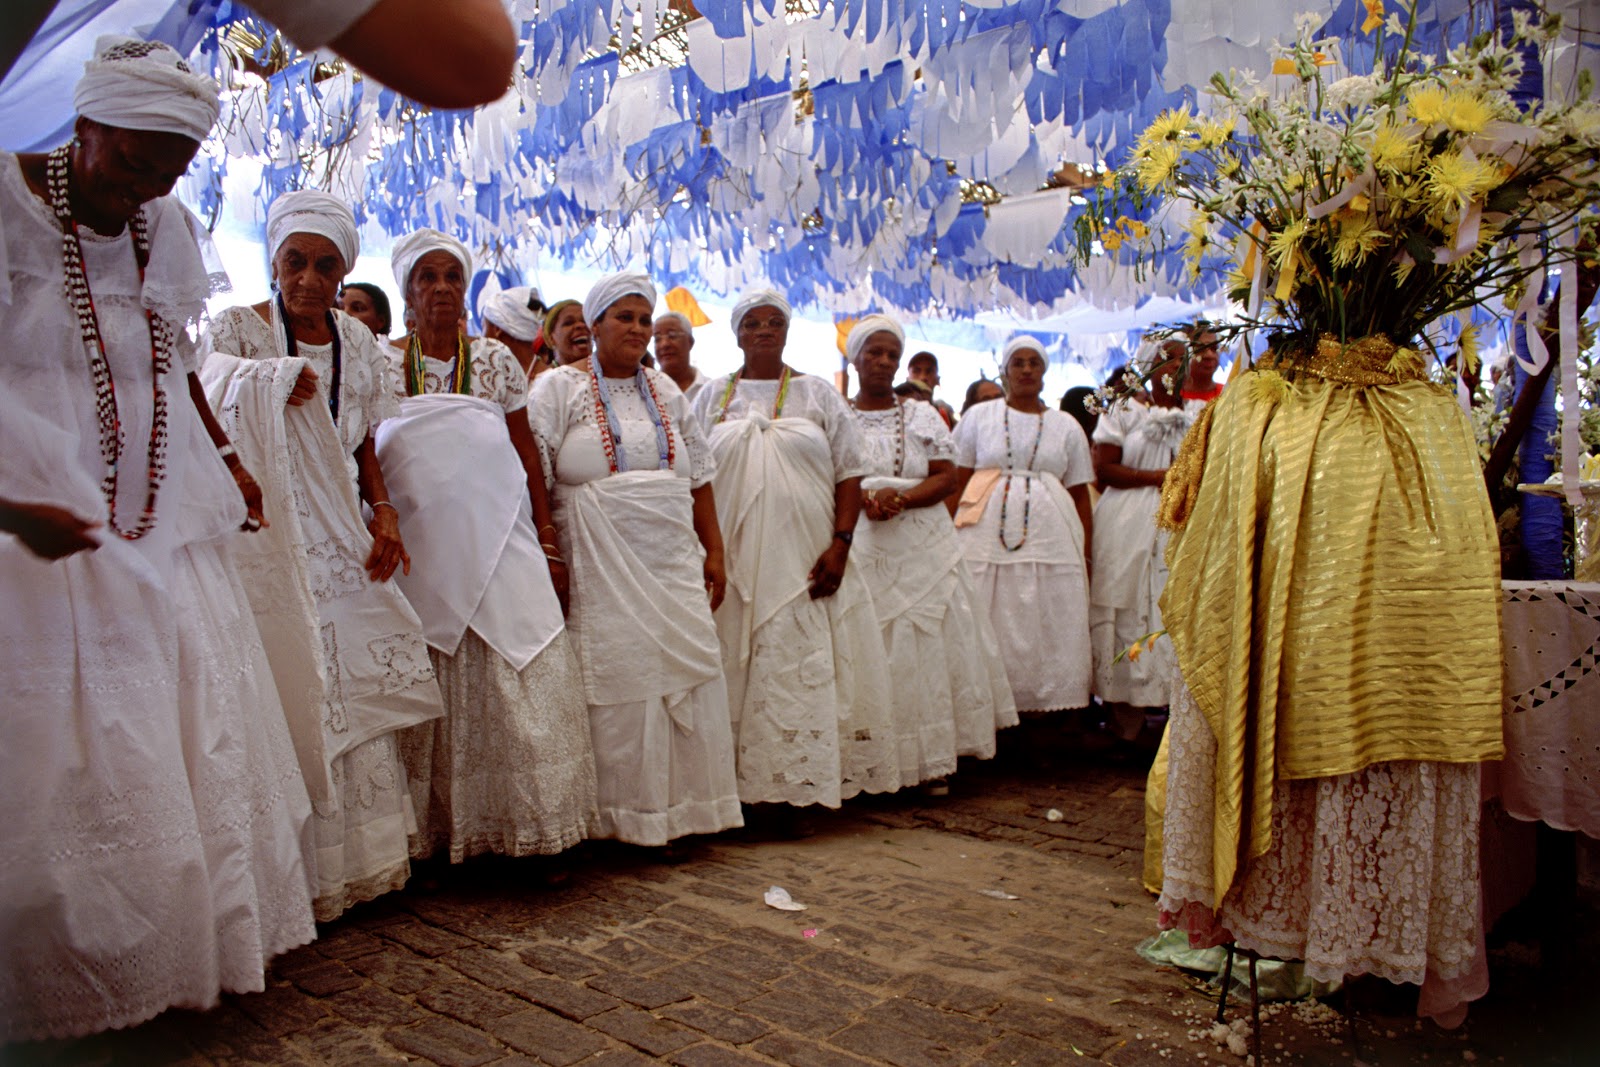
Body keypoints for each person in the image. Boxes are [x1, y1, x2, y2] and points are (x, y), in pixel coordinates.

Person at [0, 37, 315, 1040]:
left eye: (169, 170)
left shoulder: (162, 223)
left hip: (155, 498)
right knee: (65, 741)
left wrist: (226, 455)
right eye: (130, 160)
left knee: (183, 716)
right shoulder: (5, 203)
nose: (144, 187)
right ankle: (67, 971)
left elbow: (168, 358)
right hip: (31, 502)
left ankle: (183, 946)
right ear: (80, 126)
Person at [201, 189, 446, 921]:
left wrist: (386, 513)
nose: (307, 278)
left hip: (340, 518)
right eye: (295, 261)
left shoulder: (357, 339)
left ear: (344, 273)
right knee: (286, 671)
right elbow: (207, 400)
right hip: (268, 523)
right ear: (274, 261)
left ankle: (360, 859)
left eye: (325, 265)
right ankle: (291, 873)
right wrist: (269, 382)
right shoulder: (237, 329)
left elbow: (365, 438)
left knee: (353, 669)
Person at [379, 229, 596, 865]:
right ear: (408, 291)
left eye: (453, 277)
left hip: (504, 533)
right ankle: (435, 839)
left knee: (527, 653)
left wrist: (548, 535)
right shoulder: (379, 360)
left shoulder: (497, 362)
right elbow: (366, 448)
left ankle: (537, 834)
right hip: (418, 541)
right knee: (424, 666)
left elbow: (526, 451)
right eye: (428, 278)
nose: (442, 289)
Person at [529, 273, 743, 849]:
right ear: (592, 326)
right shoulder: (555, 389)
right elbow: (533, 477)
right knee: (618, 677)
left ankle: (685, 813)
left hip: (670, 556)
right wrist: (548, 548)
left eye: (645, 319)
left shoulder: (667, 391)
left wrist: (715, 550)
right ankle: (621, 819)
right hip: (599, 563)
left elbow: (699, 476)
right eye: (624, 317)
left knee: (684, 672)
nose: (637, 328)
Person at [691, 288, 899, 819]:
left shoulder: (816, 394)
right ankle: (727, 789)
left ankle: (794, 790)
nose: (763, 330)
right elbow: (691, 475)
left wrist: (842, 543)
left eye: (774, 323)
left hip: (805, 555)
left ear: (787, 332)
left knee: (795, 659)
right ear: (736, 334)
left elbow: (850, 472)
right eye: (752, 323)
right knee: (730, 653)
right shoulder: (711, 395)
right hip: (730, 556)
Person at [846, 317, 1017, 792]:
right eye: (873, 353)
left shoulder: (921, 414)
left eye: (890, 355)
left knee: (924, 642)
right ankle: (867, 761)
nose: (882, 362)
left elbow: (947, 476)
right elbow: (829, 477)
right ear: (855, 359)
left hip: (921, 540)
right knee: (865, 642)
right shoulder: (835, 414)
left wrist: (900, 499)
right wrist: (861, 501)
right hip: (859, 539)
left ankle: (929, 761)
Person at [952, 337, 1095, 713]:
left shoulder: (1065, 425)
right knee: (985, 612)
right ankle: (987, 717)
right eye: (1019, 363)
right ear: (1005, 371)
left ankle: (1045, 719)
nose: (1027, 369)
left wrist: (1087, 551)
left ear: (1045, 373)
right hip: (982, 532)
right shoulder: (978, 417)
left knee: (1047, 620)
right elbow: (957, 478)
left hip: (1052, 537)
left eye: (1035, 363)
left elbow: (1080, 492)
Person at [1088, 339, 1195, 742]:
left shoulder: (1202, 413)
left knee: (1173, 604)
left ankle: (1176, 725)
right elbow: (1106, 469)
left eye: (1182, 358)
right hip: (1128, 518)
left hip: (1182, 519)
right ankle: (1123, 724)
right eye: (1167, 357)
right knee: (1128, 604)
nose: (1176, 365)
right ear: (1149, 365)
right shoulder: (1123, 409)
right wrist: (1159, 480)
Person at [480, 284, 549, 385]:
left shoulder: (550, 383)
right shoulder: (502, 381)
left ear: (497, 329)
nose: (481, 337)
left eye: (483, 327)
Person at [653, 311, 709, 401]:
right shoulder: (646, 391)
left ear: (690, 342)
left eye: (672, 336)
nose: (664, 344)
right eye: (657, 339)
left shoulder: (711, 390)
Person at [905, 350, 956, 428]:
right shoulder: (894, 408)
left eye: (929, 372)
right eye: (916, 371)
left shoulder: (943, 415)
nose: (923, 377)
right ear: (908, 378)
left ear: (937, 380)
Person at [1178, 322, 1224, 403]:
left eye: (1214, 349)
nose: (1210, 355)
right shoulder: (1171, 398)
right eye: (1200, 349)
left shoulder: (1227, 394)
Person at [545, 298, 592, 366]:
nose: (581, 325)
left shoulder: (608, 371)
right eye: (569, 323)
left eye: (584, 321)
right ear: (551, 339)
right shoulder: (547, 376)